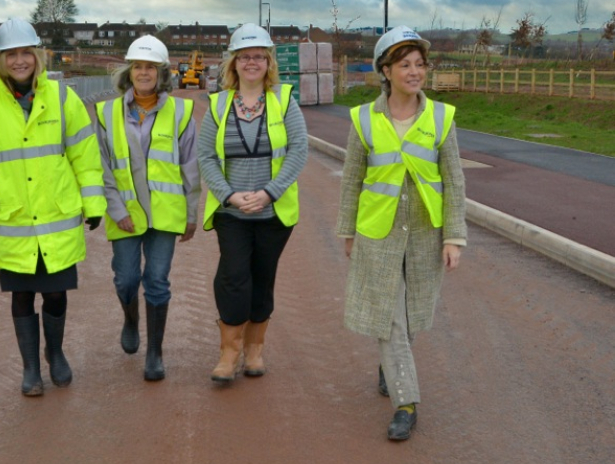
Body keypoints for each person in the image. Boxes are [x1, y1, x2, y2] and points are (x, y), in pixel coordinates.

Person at [0, 18, 106, 396]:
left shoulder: (62, 96)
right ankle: (30, 368)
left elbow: (84, 154)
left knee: (56, 293)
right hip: (13, 219)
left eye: (26, 53)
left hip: (56, 216)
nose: (20, 61)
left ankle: (56, 353)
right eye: (11, 55)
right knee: (22, 295)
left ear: (38, 55)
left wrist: (93, 200)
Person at [335, 25, 467, 440]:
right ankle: (406, 403)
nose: (415, 72)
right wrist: (347, 231)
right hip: (378, 230)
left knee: (409, 316)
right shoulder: (363, 118)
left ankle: (389, 367)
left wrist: (454, 236)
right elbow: (352, 178)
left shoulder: (441, 117)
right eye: (404, 65)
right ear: (386, 71)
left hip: (426, 231)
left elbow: (454, 179)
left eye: (420, 65)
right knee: (389, 317)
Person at [197, 23, 308, 383]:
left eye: (258, 56)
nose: (251, 62)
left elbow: (298, 150)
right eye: (244, 56)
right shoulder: (218, 105)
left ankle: (254, 350)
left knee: (263, 277)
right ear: (234, 63)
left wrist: (269, 192)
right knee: (233, 276)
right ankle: (229, 353)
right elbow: (206, 156)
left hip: (273, 211)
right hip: (231, 211)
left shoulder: (284, 101)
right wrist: (229, 194)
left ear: (268, 62)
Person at [95, 35, 200, 381]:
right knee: (126, 279)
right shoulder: (107, 113)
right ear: (128, 71)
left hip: (165, 215)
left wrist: (190, 213)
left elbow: (190, 165)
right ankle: (130, 320)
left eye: (150, 68)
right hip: (124, 213)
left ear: (161, 73)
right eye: (138, 66)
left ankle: (154, 353)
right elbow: (102, 166)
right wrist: (116, 210)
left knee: (157, 280)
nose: (143, 73)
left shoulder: (181, 112)